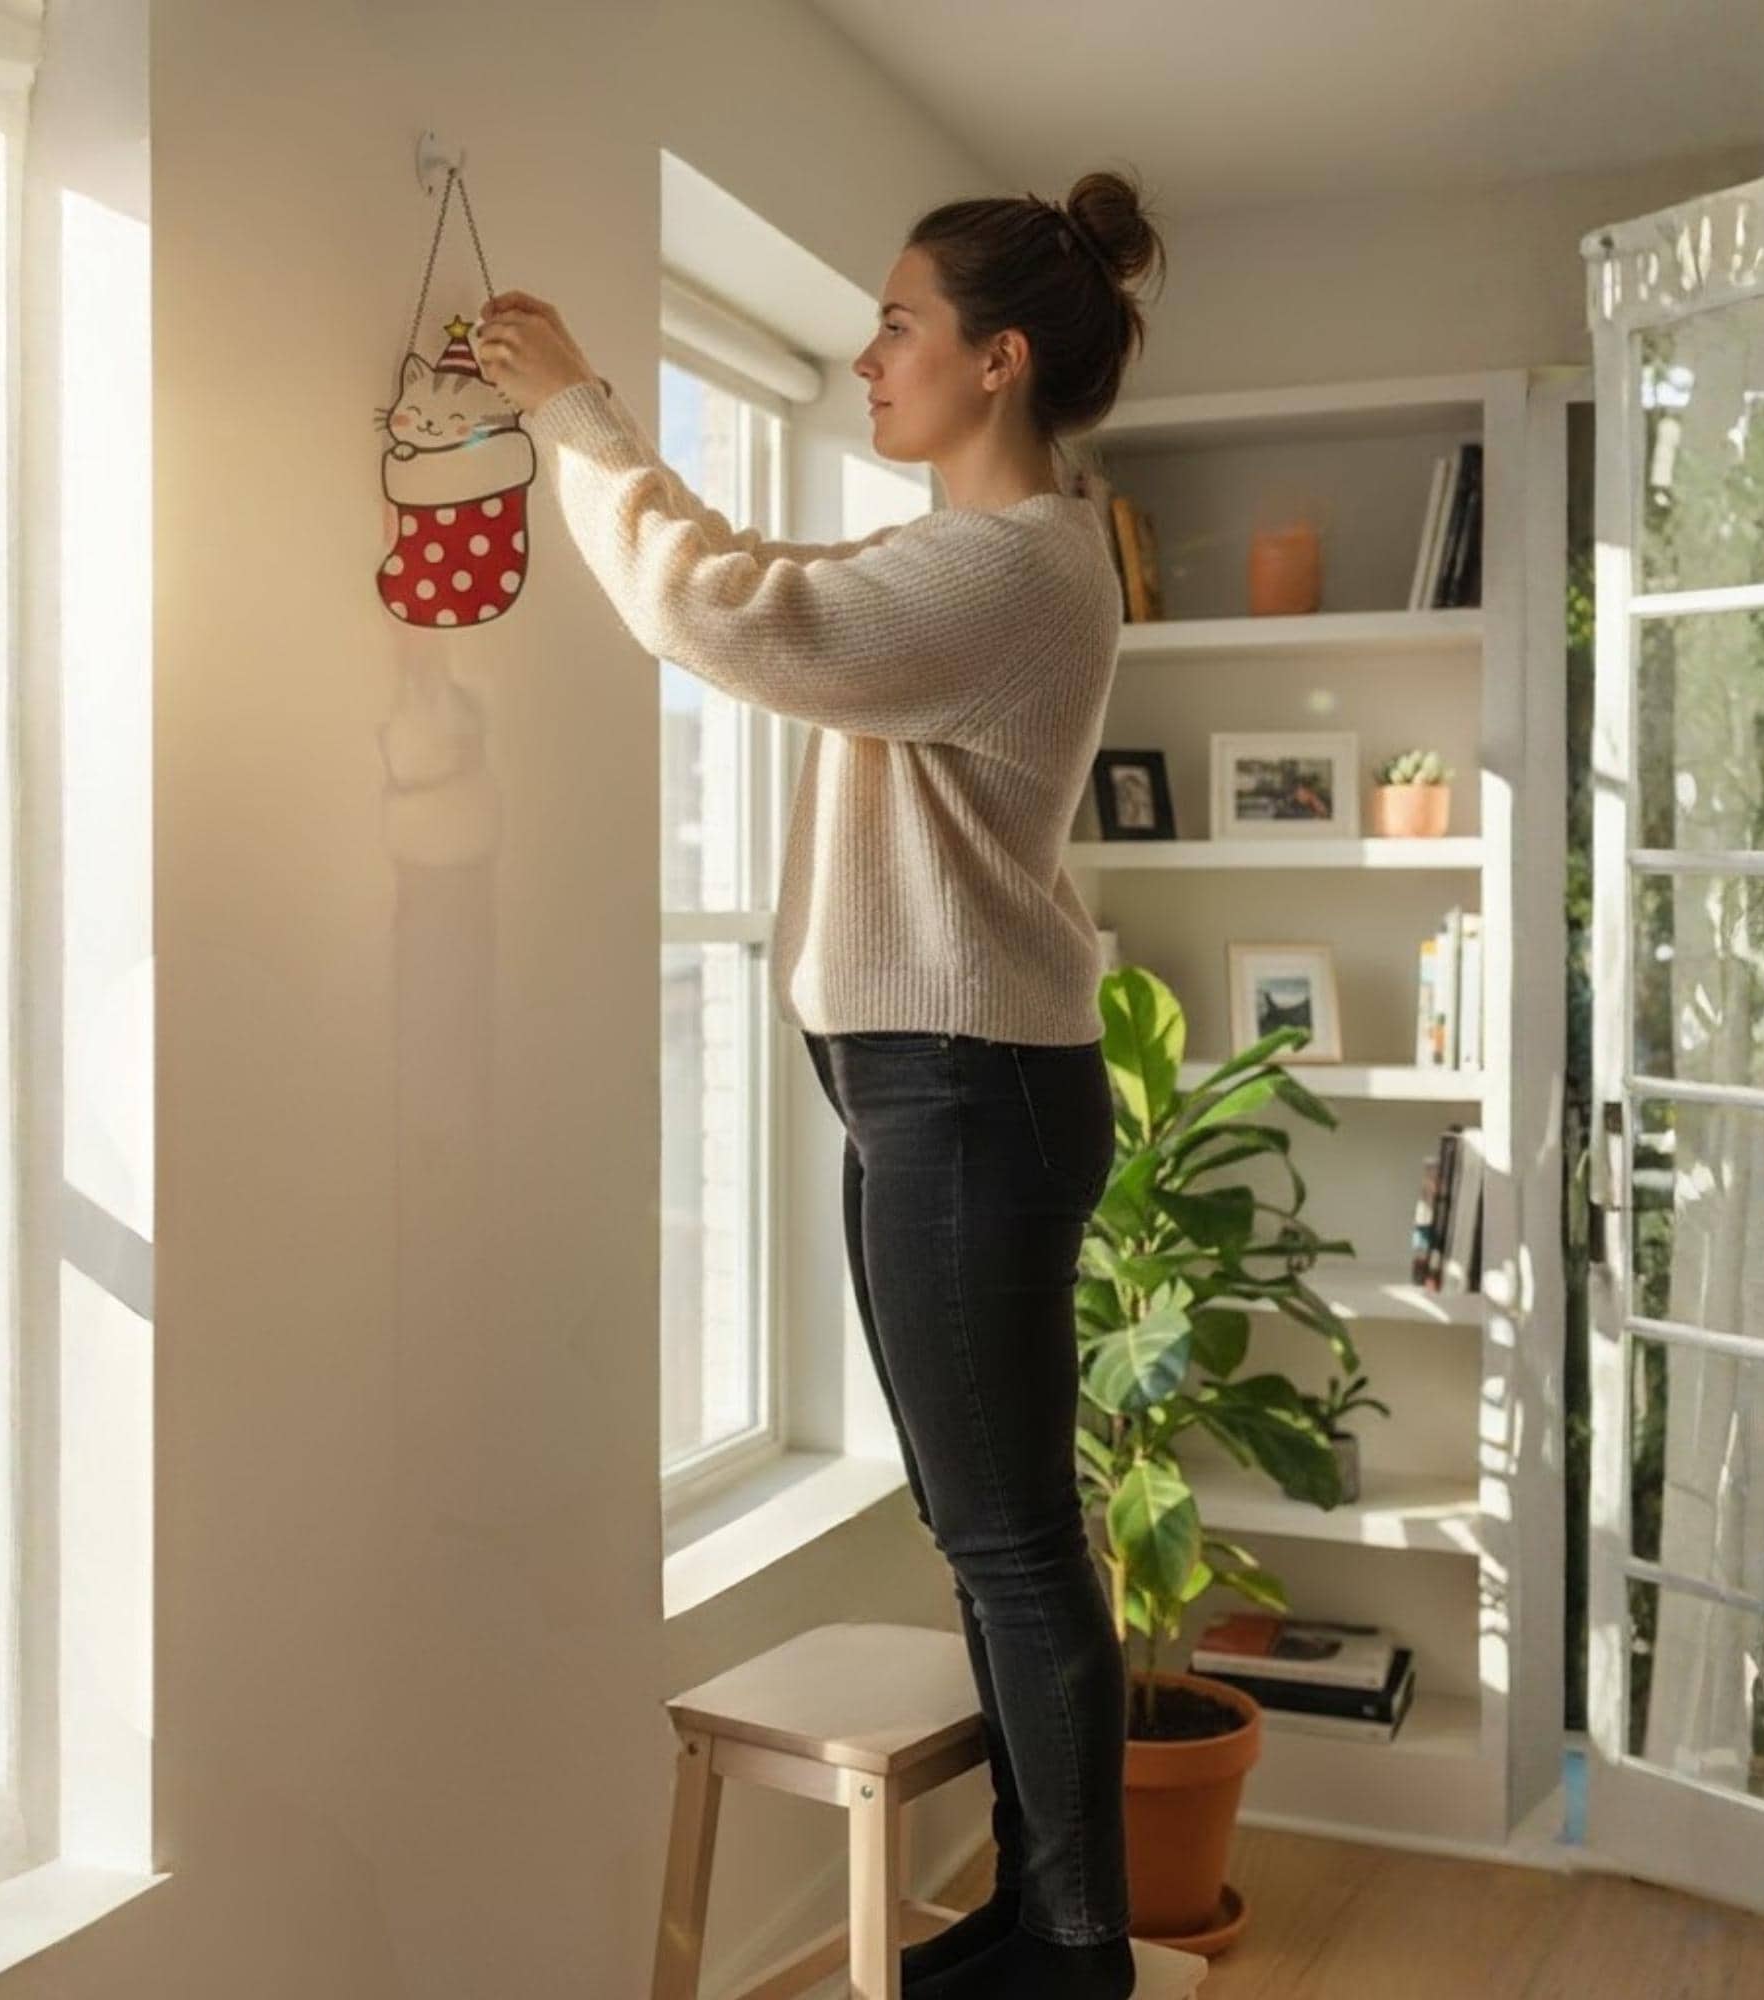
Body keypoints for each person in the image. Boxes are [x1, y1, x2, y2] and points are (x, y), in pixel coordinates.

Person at [476, 167, 1165, 2000]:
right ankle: (1036, 1917)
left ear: (996, 361)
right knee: (993, 1531)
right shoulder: (972, 556)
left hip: (964, 1093)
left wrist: (573, 414)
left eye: (897, 326)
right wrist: (595, 427)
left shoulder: (1009, 570)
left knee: (1012, 1541)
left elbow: (722, 612)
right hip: (939, 1088)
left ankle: (1075, 1954)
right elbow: (775, 585)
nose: (868, 360)